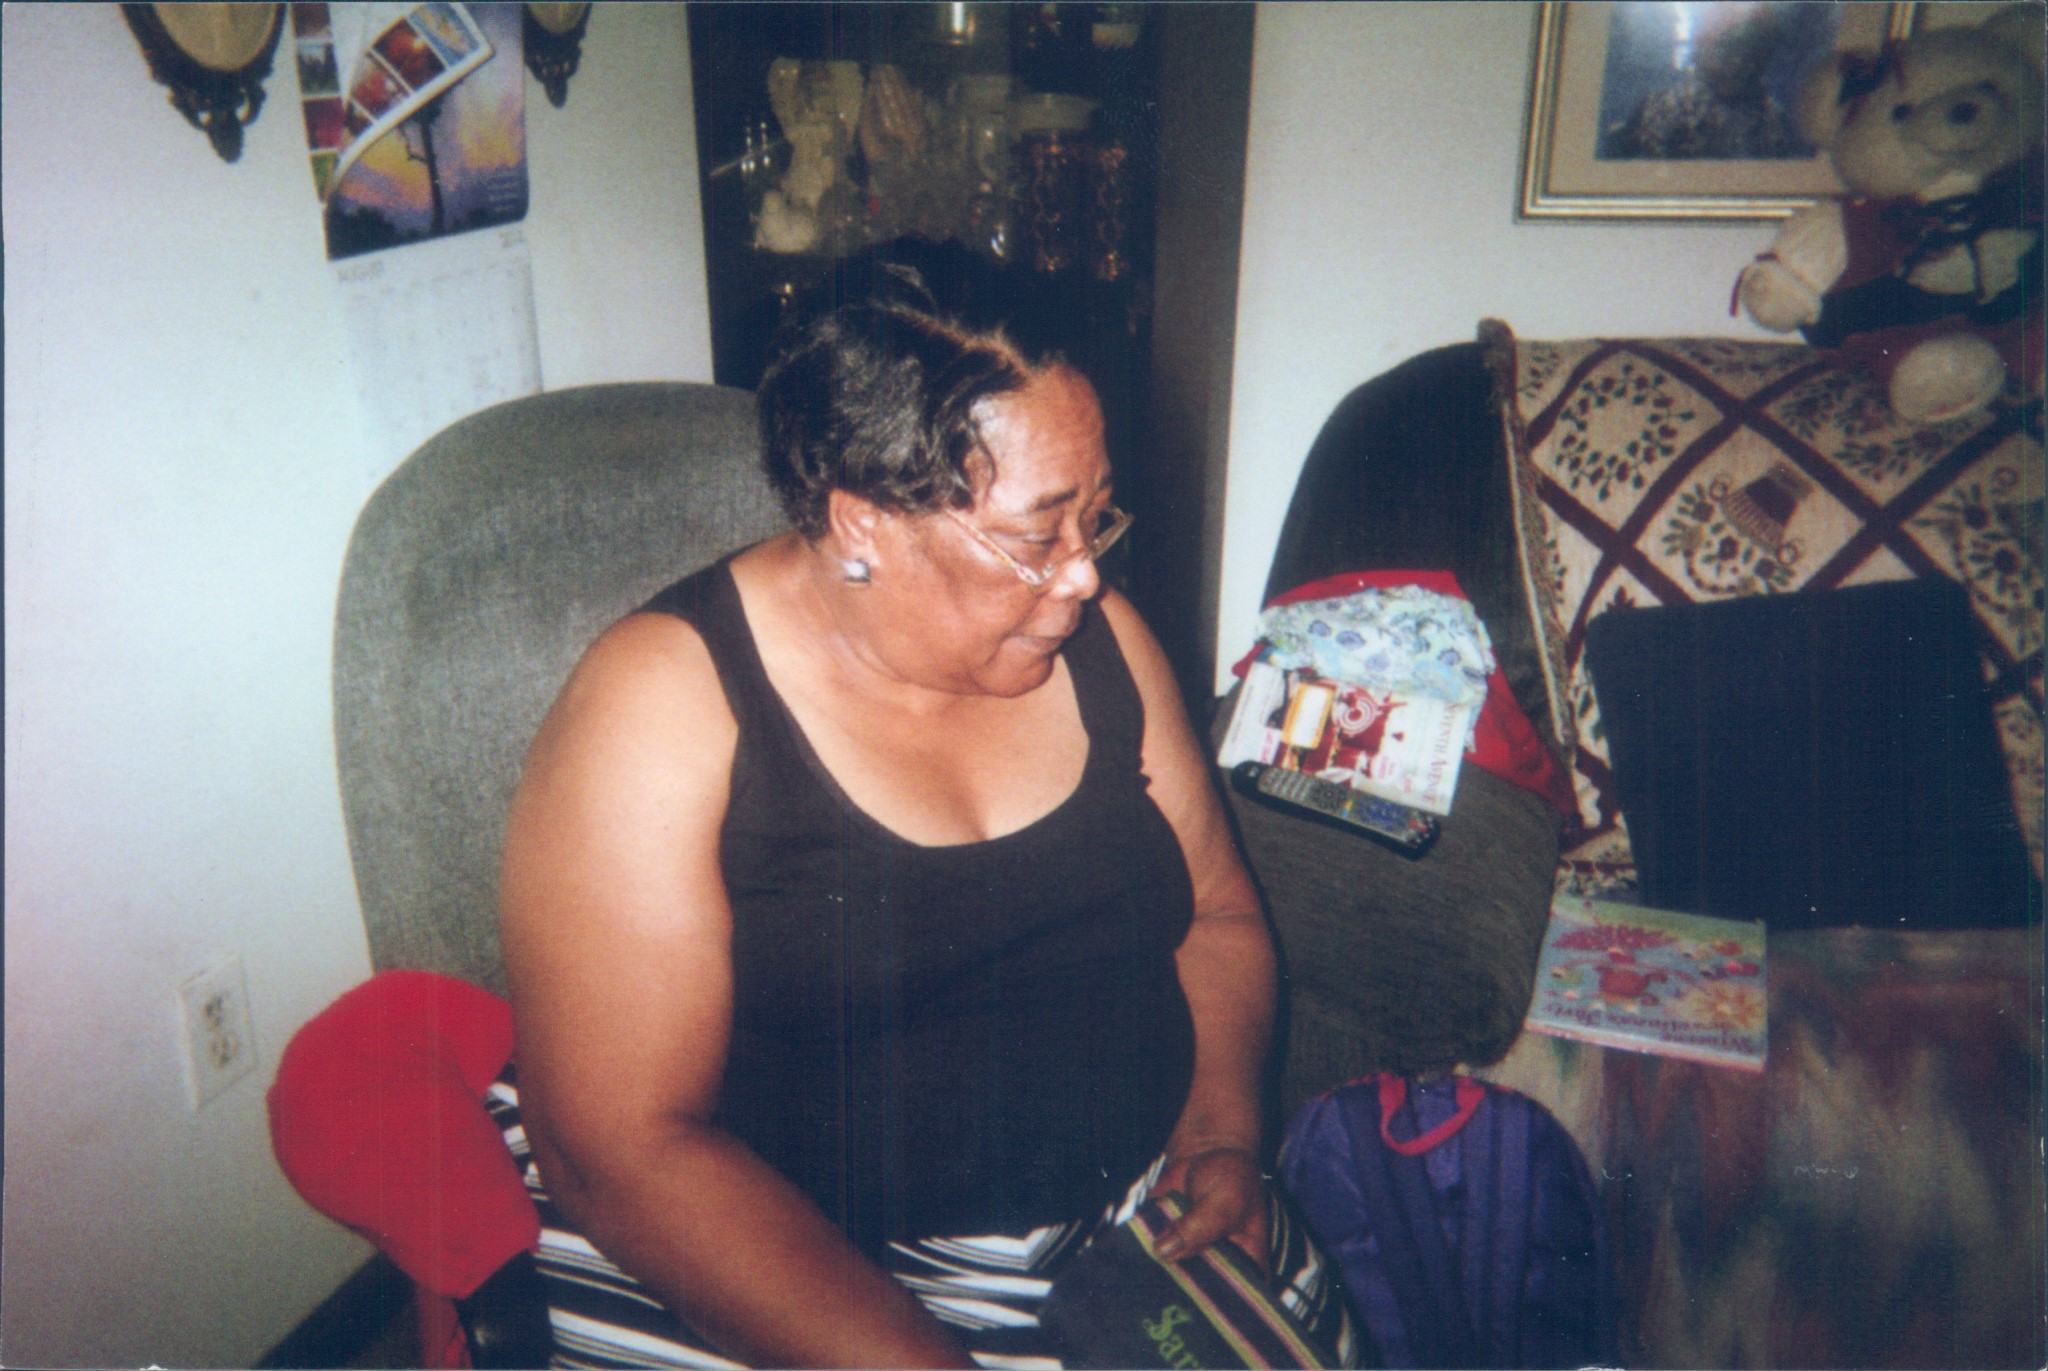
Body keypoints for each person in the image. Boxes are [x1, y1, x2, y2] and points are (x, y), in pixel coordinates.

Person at [497, 281, 1356, 1369]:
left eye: (1094, 514)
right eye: (1037, 532)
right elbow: (620, 1151)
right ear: (862, 521)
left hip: (1139, 1210)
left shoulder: (1099, 638)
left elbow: (1218, 915)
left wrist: (1221, 1133)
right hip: (793, 1257)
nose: (1085, 573)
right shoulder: (661, 704)